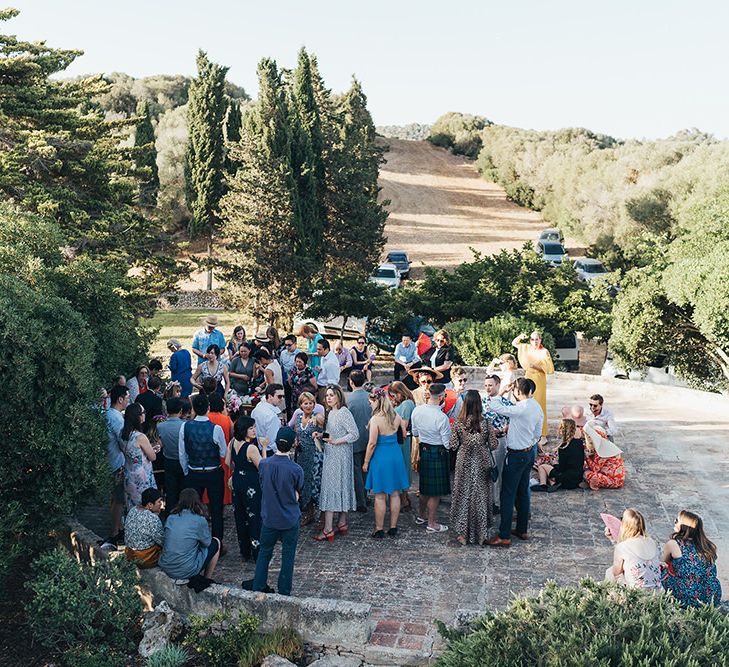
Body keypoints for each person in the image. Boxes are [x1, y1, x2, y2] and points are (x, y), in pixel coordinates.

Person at [487, 377, 543, 547]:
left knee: (507, 494)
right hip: (529, 452)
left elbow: (494, 406)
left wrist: (502, 392)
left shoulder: (520, 408)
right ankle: (522, 529)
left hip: (516, 455)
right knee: (523, 491)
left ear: (517, 392)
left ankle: (504, 534)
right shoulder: (536, 406)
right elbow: (537, 433)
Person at [251, 427, 304, 595]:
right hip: (289, 518)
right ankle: (284, 590)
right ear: (292, 444)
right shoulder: (295, 469)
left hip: (269, 517)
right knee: (288, 556)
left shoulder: (264, 465)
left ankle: (258, 586)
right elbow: (297, 493)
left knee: (264, 553)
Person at [449, 390, 499, 545]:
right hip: (482, 460)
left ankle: (463, 534)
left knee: (464, 495)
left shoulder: (458, 422)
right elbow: (493, 445)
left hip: (464, 460)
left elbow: (453, 445)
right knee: (480, 496)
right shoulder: (486, 422)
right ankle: (481, 533)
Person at [178, 393, 227, 543]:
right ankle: (217, 541)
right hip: (213, 472)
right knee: (217, 510)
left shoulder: (185, 427)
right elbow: (223, 452)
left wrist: (187, 471)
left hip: (194, 472)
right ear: (208, 408)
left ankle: (194, 539)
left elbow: (182, 453)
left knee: (193, 509)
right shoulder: (216, 429)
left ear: (193, 409)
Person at [313, 385, 359, 542]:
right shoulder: (331, 412)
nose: (329, 398)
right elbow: (332, 433)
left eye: (332, 395)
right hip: (331, 453)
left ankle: (328, 529)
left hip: (340, 455)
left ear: (339, 396)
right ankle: (342, 522)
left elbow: (354, 434)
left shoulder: (344, 412)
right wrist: (321, 435)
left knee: (333, 486)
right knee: (336, 485)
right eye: (327, 395)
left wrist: (336, 441)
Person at [363, 388, 409, 538]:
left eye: (371, 403)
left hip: (381, 457)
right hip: (395, 455)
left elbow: (372, 444)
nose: (370, 405)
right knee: (395, 493)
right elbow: (403, 433)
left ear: (377, 401)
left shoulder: (375, 419)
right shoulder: (396, 415)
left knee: (380, 496)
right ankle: (393, 527)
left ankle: (379, 528)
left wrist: (366, 462)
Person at [411, 383, 451, 533]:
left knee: (424, 488)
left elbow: (414, 433)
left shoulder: (417, 410)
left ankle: (421, 515)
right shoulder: (442, 417)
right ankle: (432, 523)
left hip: (424, 449)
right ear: (441, 397)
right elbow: (447, 444)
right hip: (438, 452)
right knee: (434, 492)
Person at [661, 510, 721, 608]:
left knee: (661, 569)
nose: (674, 522)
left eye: (677, 520)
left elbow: (664, 562)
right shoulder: (708, 546)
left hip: (686, 595)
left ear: (684, 526)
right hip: (710, 594)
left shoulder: (673, 544)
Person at [159, 488, 221, 583]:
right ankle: (206, 578)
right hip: (186, 571)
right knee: (216, 542)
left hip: (166, 566)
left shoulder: (171, 517)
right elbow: (207, 542)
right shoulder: (199, 520)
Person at [226, 416, 264, 562]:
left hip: (238, 482)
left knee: (240, 517)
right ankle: (257, 552)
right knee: (254, 517)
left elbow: (229, 462)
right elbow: (262, 467)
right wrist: (265, 448)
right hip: (251, 484)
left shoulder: (232, 442)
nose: (254, 430)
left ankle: (245, 551)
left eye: (254, 427)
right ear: (243, 430)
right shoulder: (251, 448)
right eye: (251, 428)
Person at [604, 508, 662, 592]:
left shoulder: (622, 547)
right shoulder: (653, 542)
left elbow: (616, 573)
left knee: (610, 572)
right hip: (657, 592)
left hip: (636, 594)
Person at [513, 331, 554, 444]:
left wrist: (536, 366)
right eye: (532, 339)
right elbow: (514, 343)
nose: (534, 341)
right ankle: (529, 431)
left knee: (539, 404)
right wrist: (521, 336)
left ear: (540, 340)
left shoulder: (544, 352)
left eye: (536, 339)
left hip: (539, 378)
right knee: (527, 403)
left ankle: (543, 433)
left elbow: (549, 369)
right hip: (528, 376)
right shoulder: (527, 348)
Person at [101, 384, 130, 549]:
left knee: (115, 498)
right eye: (127, 398)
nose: (128, 400)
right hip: (116, 463)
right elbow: (124, 441)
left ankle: (117, 528)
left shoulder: (107, 415)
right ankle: (115, 532)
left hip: (110, 460)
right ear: (120, 399)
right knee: (118, 499)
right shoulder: (117, 418)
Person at [292, 392, 325, 525]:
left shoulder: (318, 417)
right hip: (301, 455)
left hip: (315, 455)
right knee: (304, 485)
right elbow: (297, 434)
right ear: (300, 405)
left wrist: (318, 422)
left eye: (311, 403)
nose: (308, 405)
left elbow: (325, 430)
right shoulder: (298, 417)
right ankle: (309, 513)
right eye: (305, 403)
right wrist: (296, 442)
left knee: (316, 485)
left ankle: (322, 517)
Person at [120, 403, 158, 510]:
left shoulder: (121, 434)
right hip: (142, 476)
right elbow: (152, 457)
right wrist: (154, 449)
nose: (145, 415)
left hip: (128, 473)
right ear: (138, 416)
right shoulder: (140, 437)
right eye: (143, 413)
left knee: (132, 507)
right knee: (145, 506)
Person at [481, 374, 511, 505]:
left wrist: (503, 429)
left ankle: (496, 503)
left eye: (490, 385)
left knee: (497, 472)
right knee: (485, 472)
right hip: (484, 442)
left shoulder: (506, 403)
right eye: (486, 385)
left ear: (498, 385)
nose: (487, 388)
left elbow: (512, 421)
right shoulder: (482, 402)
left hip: (499, 441)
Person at [534, 418, 584, 492]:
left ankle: (543, 485)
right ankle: (552, 482)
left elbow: (562, 468)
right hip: (577, 478)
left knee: (542, 467)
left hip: (566, 479)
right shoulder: (579, 443)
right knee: (552, 470)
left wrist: (554, 464)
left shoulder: (563, 447)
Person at [388, 381, 416, 511]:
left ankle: (404, 499)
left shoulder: (406, 404)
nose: (392, 398)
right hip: (397, 441)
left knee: (402, 467)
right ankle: (401, 498)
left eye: (394, 395)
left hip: (401, 440)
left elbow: (403, 426)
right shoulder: (403, 404)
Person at [347, 370, 372, 513]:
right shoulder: (370, 397)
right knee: (366, 469)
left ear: (350, 382)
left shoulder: (348, 400)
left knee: (357, 470)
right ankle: (365, 495)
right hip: (369, 438)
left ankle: (360, 500)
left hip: (355, 439)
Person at [157, 397, 186, 513]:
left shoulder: (160, 426)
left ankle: (170, 514)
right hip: (182, 461)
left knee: (171, 491)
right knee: (183, 489)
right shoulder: (185, 425)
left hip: (168, 461)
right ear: (180, 410)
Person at [124, 487, 164, 568]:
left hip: (130, 554)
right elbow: (162, 541)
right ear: (150, 505)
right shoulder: (152, 518)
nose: (161, 504)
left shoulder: (133, 510)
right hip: (145, 558)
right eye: (159, 502)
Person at [582, 420, 625, 490]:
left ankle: (593, 483)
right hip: (617, 478)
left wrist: (586, 457)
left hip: (612, 481)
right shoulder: (606, 444)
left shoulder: (603, 449)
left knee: (586, 473)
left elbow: (595, 468)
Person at [208, 393, 233, 505]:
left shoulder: (206, 418)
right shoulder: (227, 420)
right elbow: (232, 435)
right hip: (224, 456)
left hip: (209, 455)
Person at [251, 384, 285, 454]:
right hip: (269, 451)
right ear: (270, 396)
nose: (282, 399)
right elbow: (272, 442)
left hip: (258, 447)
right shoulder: (272, 417)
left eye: (283, 396)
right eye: (279, 396)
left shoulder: (258, 407)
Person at [315, 339, 340, 405]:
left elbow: (332, 382)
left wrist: (327, 395)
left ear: (326, 349)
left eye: (319, 349)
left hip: (325, 388)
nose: (317, 351)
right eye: (317, 349)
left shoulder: (331, 363)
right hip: (320, 386)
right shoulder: (324, 356)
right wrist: (321, 370)